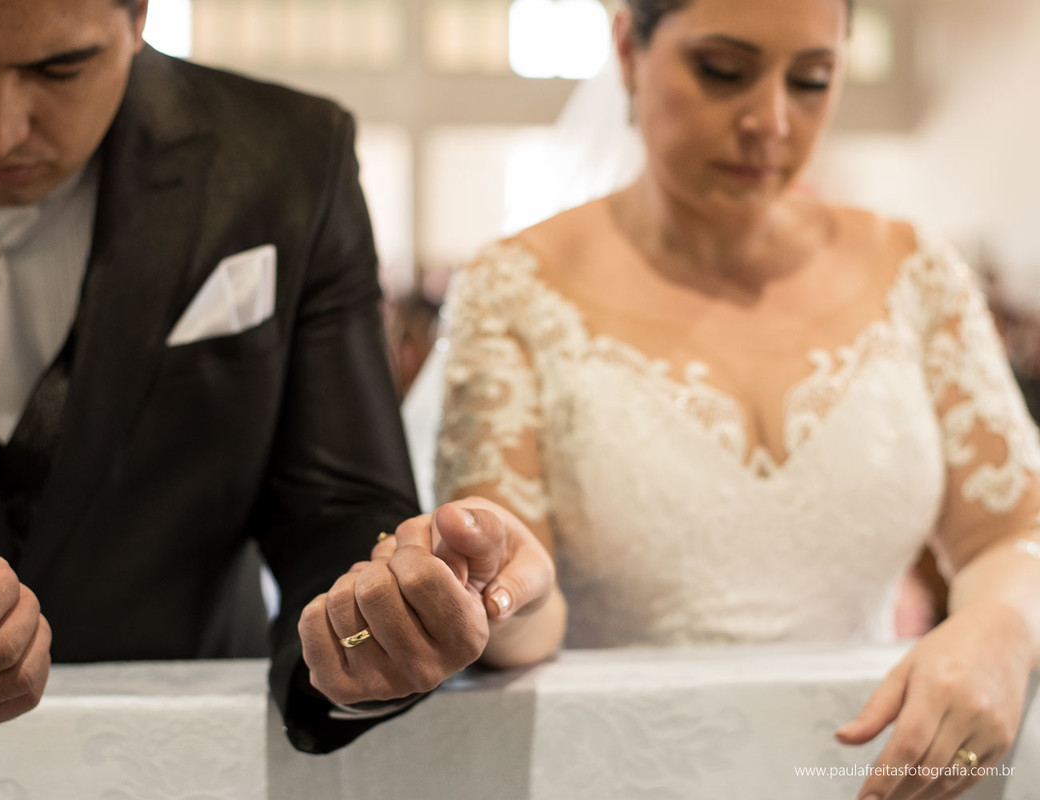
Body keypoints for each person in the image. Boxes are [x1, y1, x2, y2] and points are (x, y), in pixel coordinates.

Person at [0, 0, 554, 755]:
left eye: (59, 68)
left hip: (188, 755)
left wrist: (370, 635)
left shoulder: (287, 158)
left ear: (139, 16)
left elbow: (339, 513)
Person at [435, 0, 1040, 797]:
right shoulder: (515, 287)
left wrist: (1002, 624)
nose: (771, 122)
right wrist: (492, 600)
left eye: (811, 80)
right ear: (629, 49)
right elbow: (515, 596)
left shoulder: (914, 271)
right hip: (619, 770)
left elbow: (1012, 531)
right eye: (723, 71)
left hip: (871, 758)